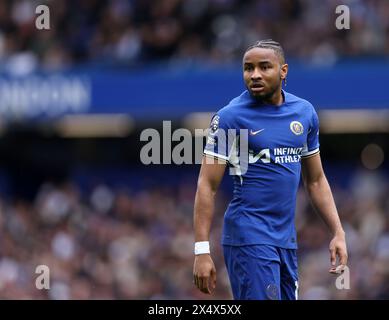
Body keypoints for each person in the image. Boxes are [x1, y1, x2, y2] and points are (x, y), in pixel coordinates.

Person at [192, 39, 348, 300]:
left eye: (264, 67)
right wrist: (201, 250)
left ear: (283, 71)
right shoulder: (230, 117)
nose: (254, 75)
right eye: (248, 68)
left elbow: (316, 181)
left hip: (285, 240)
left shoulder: (304, 113)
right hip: (248, 237)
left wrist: (338, 232)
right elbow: (207, 185)